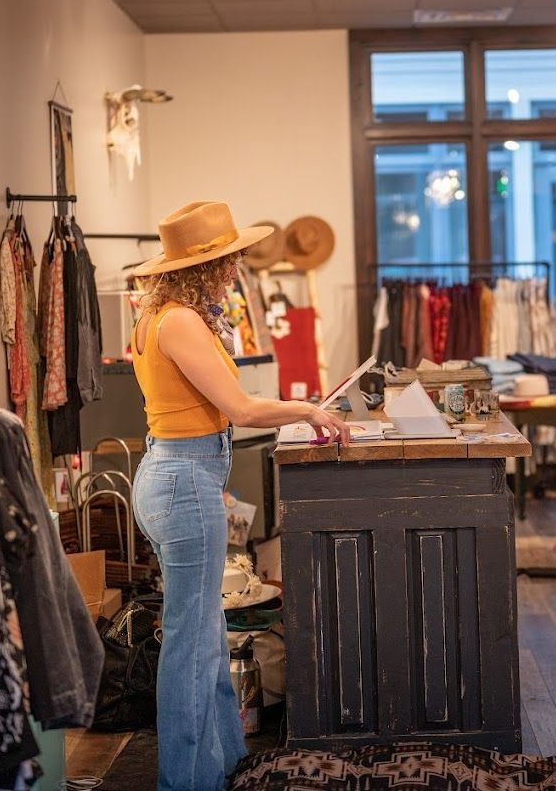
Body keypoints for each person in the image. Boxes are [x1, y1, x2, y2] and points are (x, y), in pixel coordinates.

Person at [129, 201, 350, 791]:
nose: (235, 270)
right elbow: (243, 409)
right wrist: (309, 409)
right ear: (199, 268)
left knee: (203, 638)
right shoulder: (178, 320)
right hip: (182, 480)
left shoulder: (165, 316)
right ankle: (186, 780)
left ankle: (224, 765)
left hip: (181, 475)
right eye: (227, 261)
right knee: (191, 644)